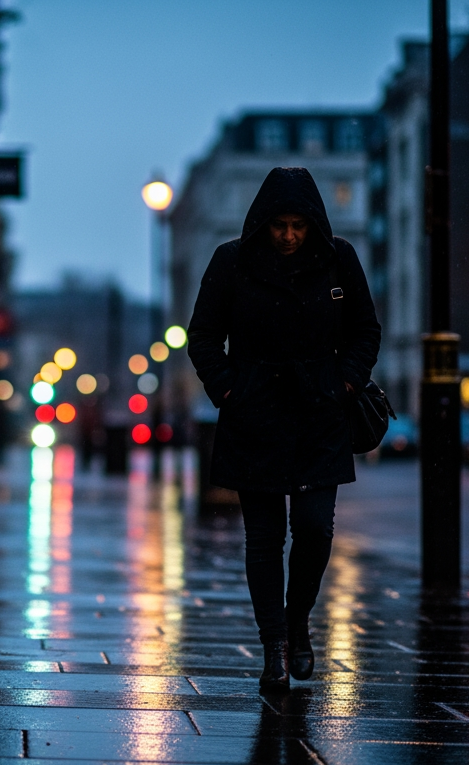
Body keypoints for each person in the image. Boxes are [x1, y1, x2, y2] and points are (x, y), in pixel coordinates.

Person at [186, 167, 381, 689]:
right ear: (263, 224)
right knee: (264, 539)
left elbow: (366, 330)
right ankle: (274, 644)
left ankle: (298, 622)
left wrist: (344, 382)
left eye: (298, 225)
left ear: (312, 223)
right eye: (280, 225)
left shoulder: (339, 258)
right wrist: (230, 388)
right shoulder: (232, 261)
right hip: (255, 416)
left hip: (320, 414)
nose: (289, 235)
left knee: (315, 530)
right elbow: (202, 336)